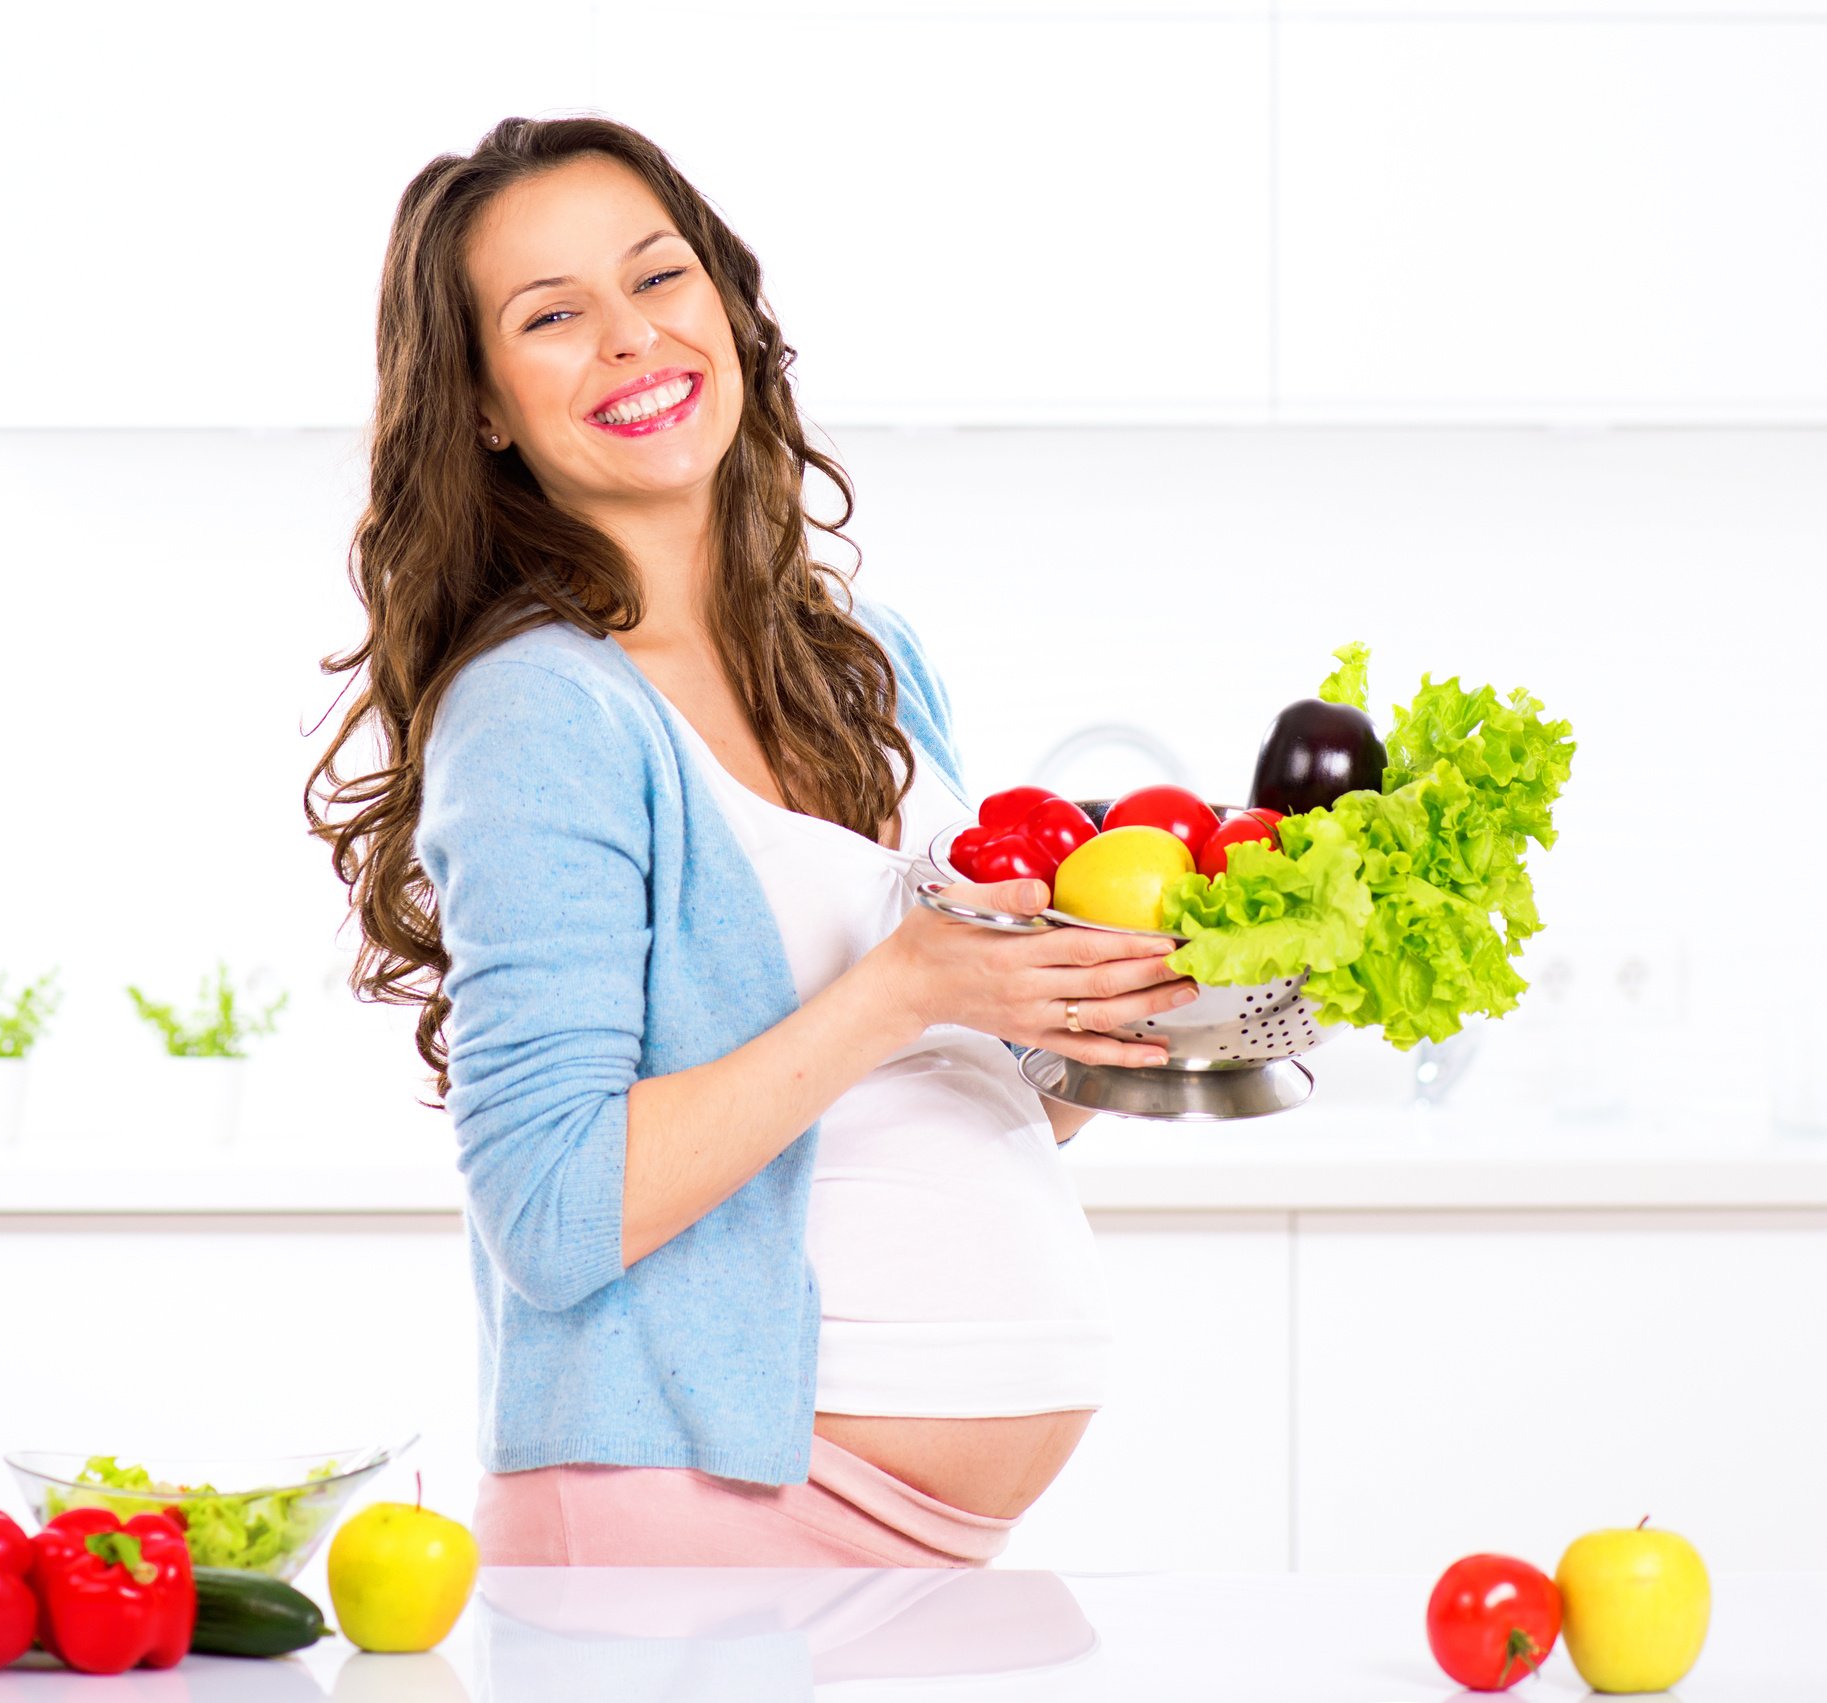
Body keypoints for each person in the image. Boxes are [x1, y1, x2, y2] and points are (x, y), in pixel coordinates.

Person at [304, 114, 1199, 1568]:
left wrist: (1105, 1027)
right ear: (481, 403)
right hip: (694, 1525)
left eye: (659, 279)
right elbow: (551, 1210)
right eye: (552, 315)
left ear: (724, 302)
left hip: (915, 1557)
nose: (630, 340)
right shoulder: (541, 712)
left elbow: (937, 1101)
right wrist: (908, 986)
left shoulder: (866, 664)